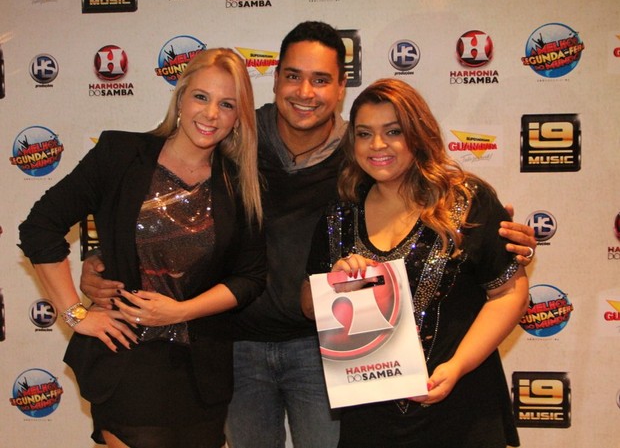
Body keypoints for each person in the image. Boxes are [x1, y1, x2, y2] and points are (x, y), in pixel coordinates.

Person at [79, 22, 536, 448]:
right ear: (274, 79)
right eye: (293, 77)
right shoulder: (234, 138)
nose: (305, 92)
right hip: (236, 344)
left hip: (327, 352)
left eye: (321, 80)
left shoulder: (359, 163)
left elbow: (455, 227)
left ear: (341, 88)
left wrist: (498, 235)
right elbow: (162, 196)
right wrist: (107, 259)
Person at [18, 48, 266, 448]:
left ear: (239, 117)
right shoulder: (120, 155)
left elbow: (251, 277)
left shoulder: (240, 183)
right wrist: (75, 314)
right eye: (201, 97)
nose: (211, 114)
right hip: (126, 363)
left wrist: (181, 311)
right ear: (181, 96)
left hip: (200, 378)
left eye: (227, 104)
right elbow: (39, 227)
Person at [301, 78, 529, 448]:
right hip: (371, 418)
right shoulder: (339, 215)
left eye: (393, 131)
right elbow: (308, 305)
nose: (377, 145)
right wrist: (334, 283)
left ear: (418, 135)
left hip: (462, 406)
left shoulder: (466, 201)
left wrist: (457, 367)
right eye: (364, 133)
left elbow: (509, 294)